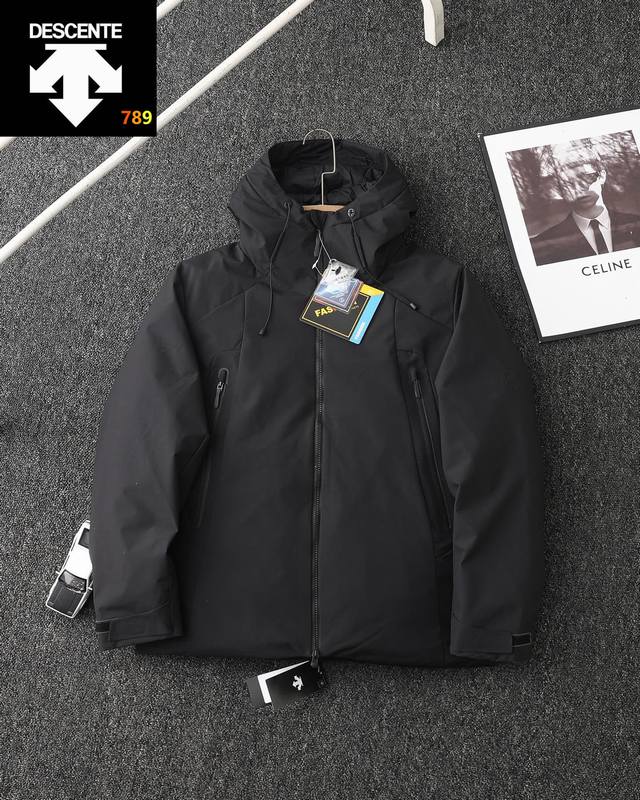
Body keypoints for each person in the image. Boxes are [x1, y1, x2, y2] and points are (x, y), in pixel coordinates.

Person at [530, 165, 640, 265]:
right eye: (568, 183)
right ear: (559, 190)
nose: (579, 189)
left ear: (602, 177)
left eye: (586, 178)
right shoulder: (542, 244)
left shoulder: (635, 223)